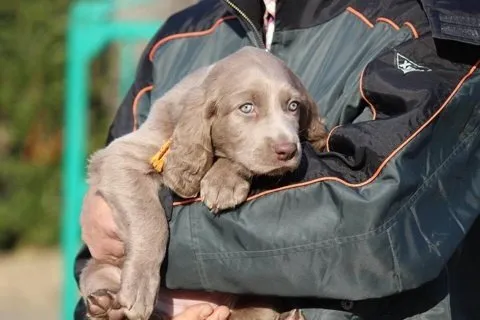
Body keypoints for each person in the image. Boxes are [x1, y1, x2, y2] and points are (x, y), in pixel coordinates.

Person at [75, 0, 480, 319]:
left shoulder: (428, 22)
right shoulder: (178, 37)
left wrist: (155, 245)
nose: (284, 139)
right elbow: (102, 236)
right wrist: (126, 281)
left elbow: (378, 216)